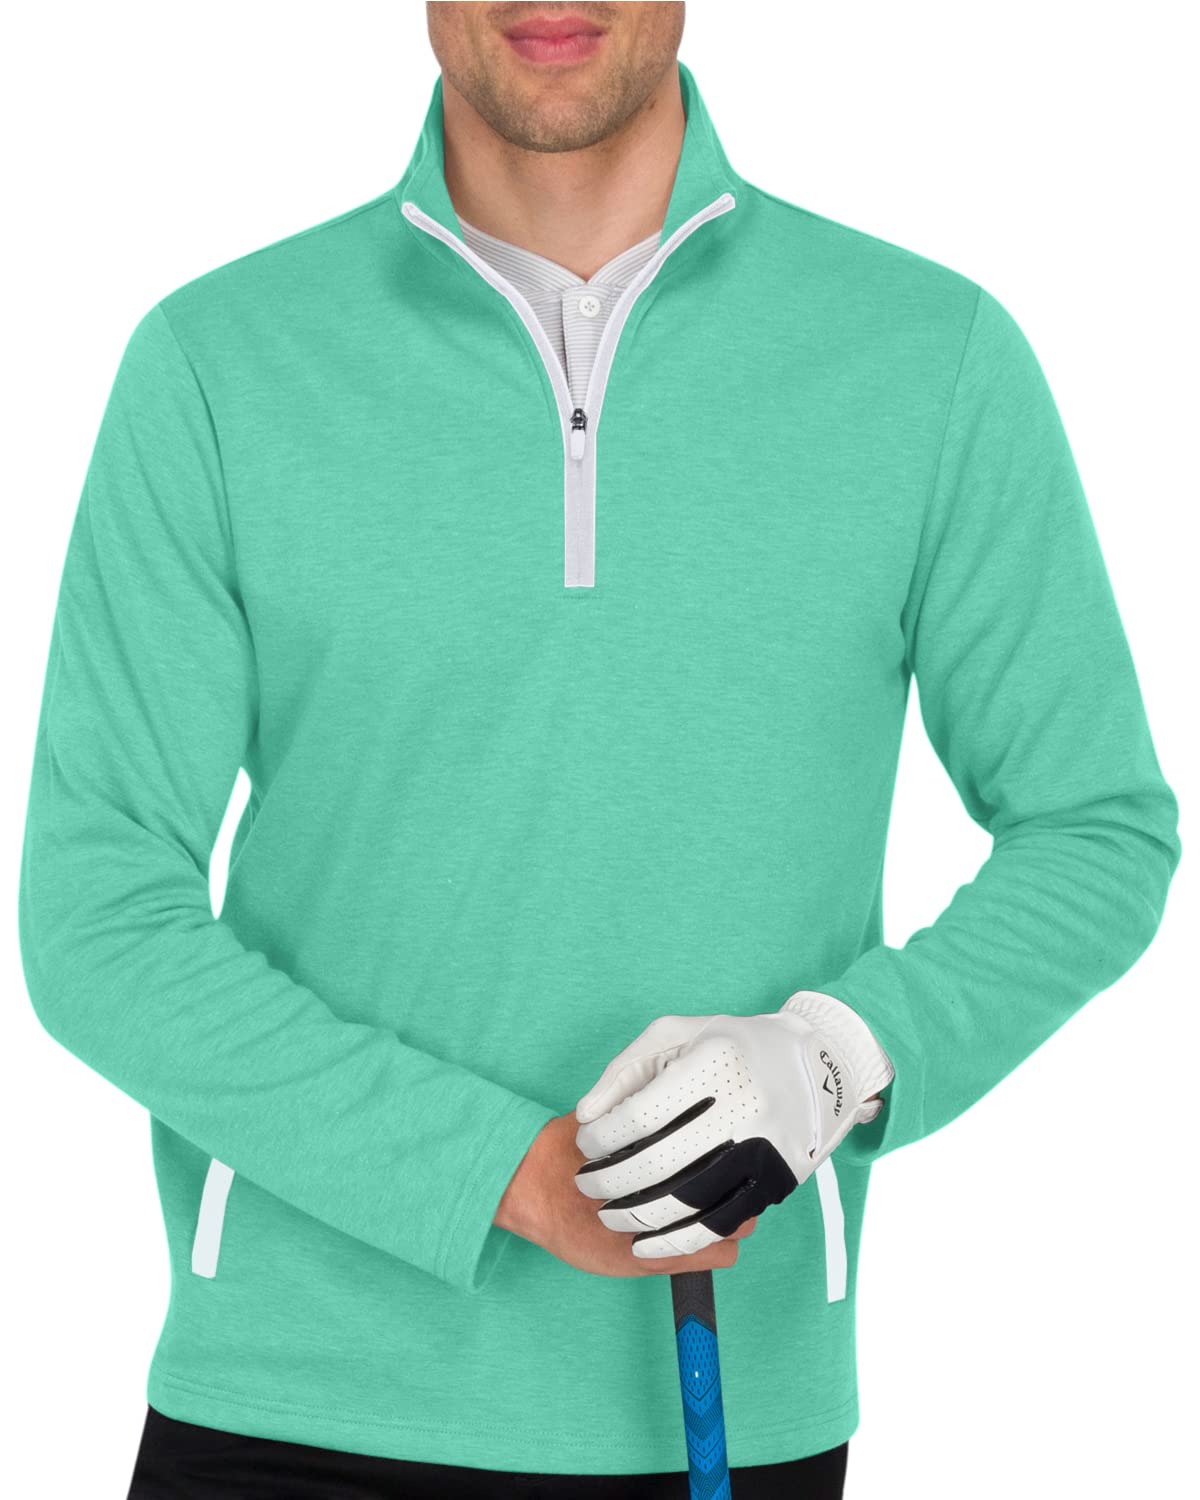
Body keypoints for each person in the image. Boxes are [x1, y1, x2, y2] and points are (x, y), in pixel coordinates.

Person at [17, 4, 1180, 1498]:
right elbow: (98, 917)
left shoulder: (929, 358)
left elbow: (1095, 828)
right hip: (290, 1408)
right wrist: (501, 1171)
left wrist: (840, 1054)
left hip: (720, 1402)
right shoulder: (218, 364)